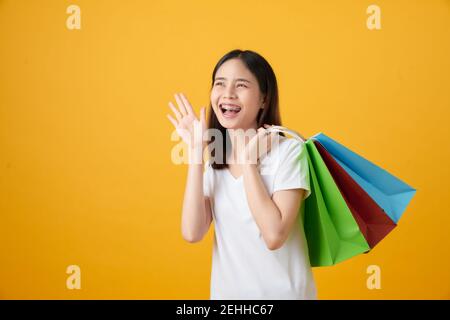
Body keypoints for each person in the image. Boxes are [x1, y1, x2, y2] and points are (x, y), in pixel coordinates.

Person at [167, 49, 317, 300]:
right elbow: (192, 233)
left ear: (263, 99)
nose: (227, 94)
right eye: (220, 84)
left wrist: (248, 163)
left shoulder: (289, 151)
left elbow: (274, 235)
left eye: (241, 85)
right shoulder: (216, 163)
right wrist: (196, 152)